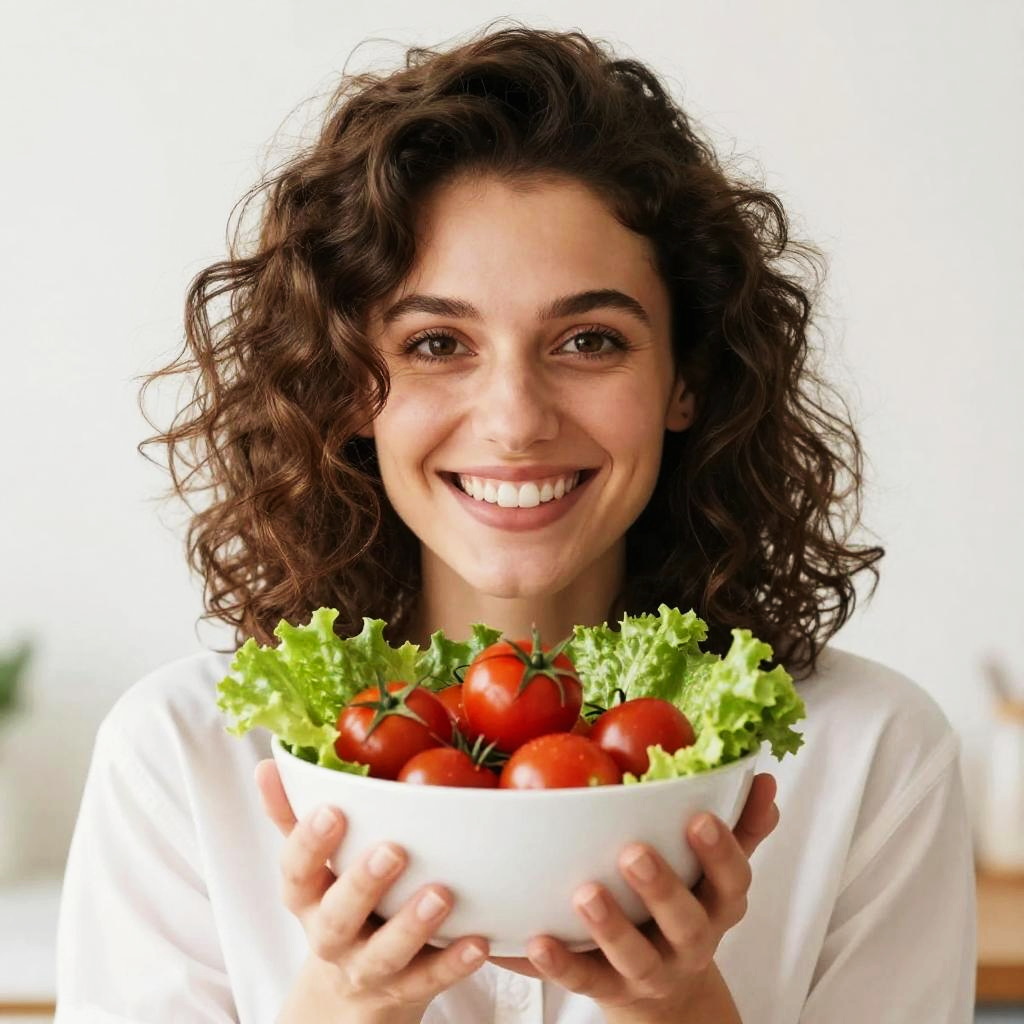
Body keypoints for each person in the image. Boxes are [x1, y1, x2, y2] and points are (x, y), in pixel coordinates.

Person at [53, 20, 976, 1024]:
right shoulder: (184, 759)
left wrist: (681, 1013)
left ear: (688, 378)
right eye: (438, 341)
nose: (515, 421)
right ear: (350, 388)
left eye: (588, 339)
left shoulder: (866, 755)